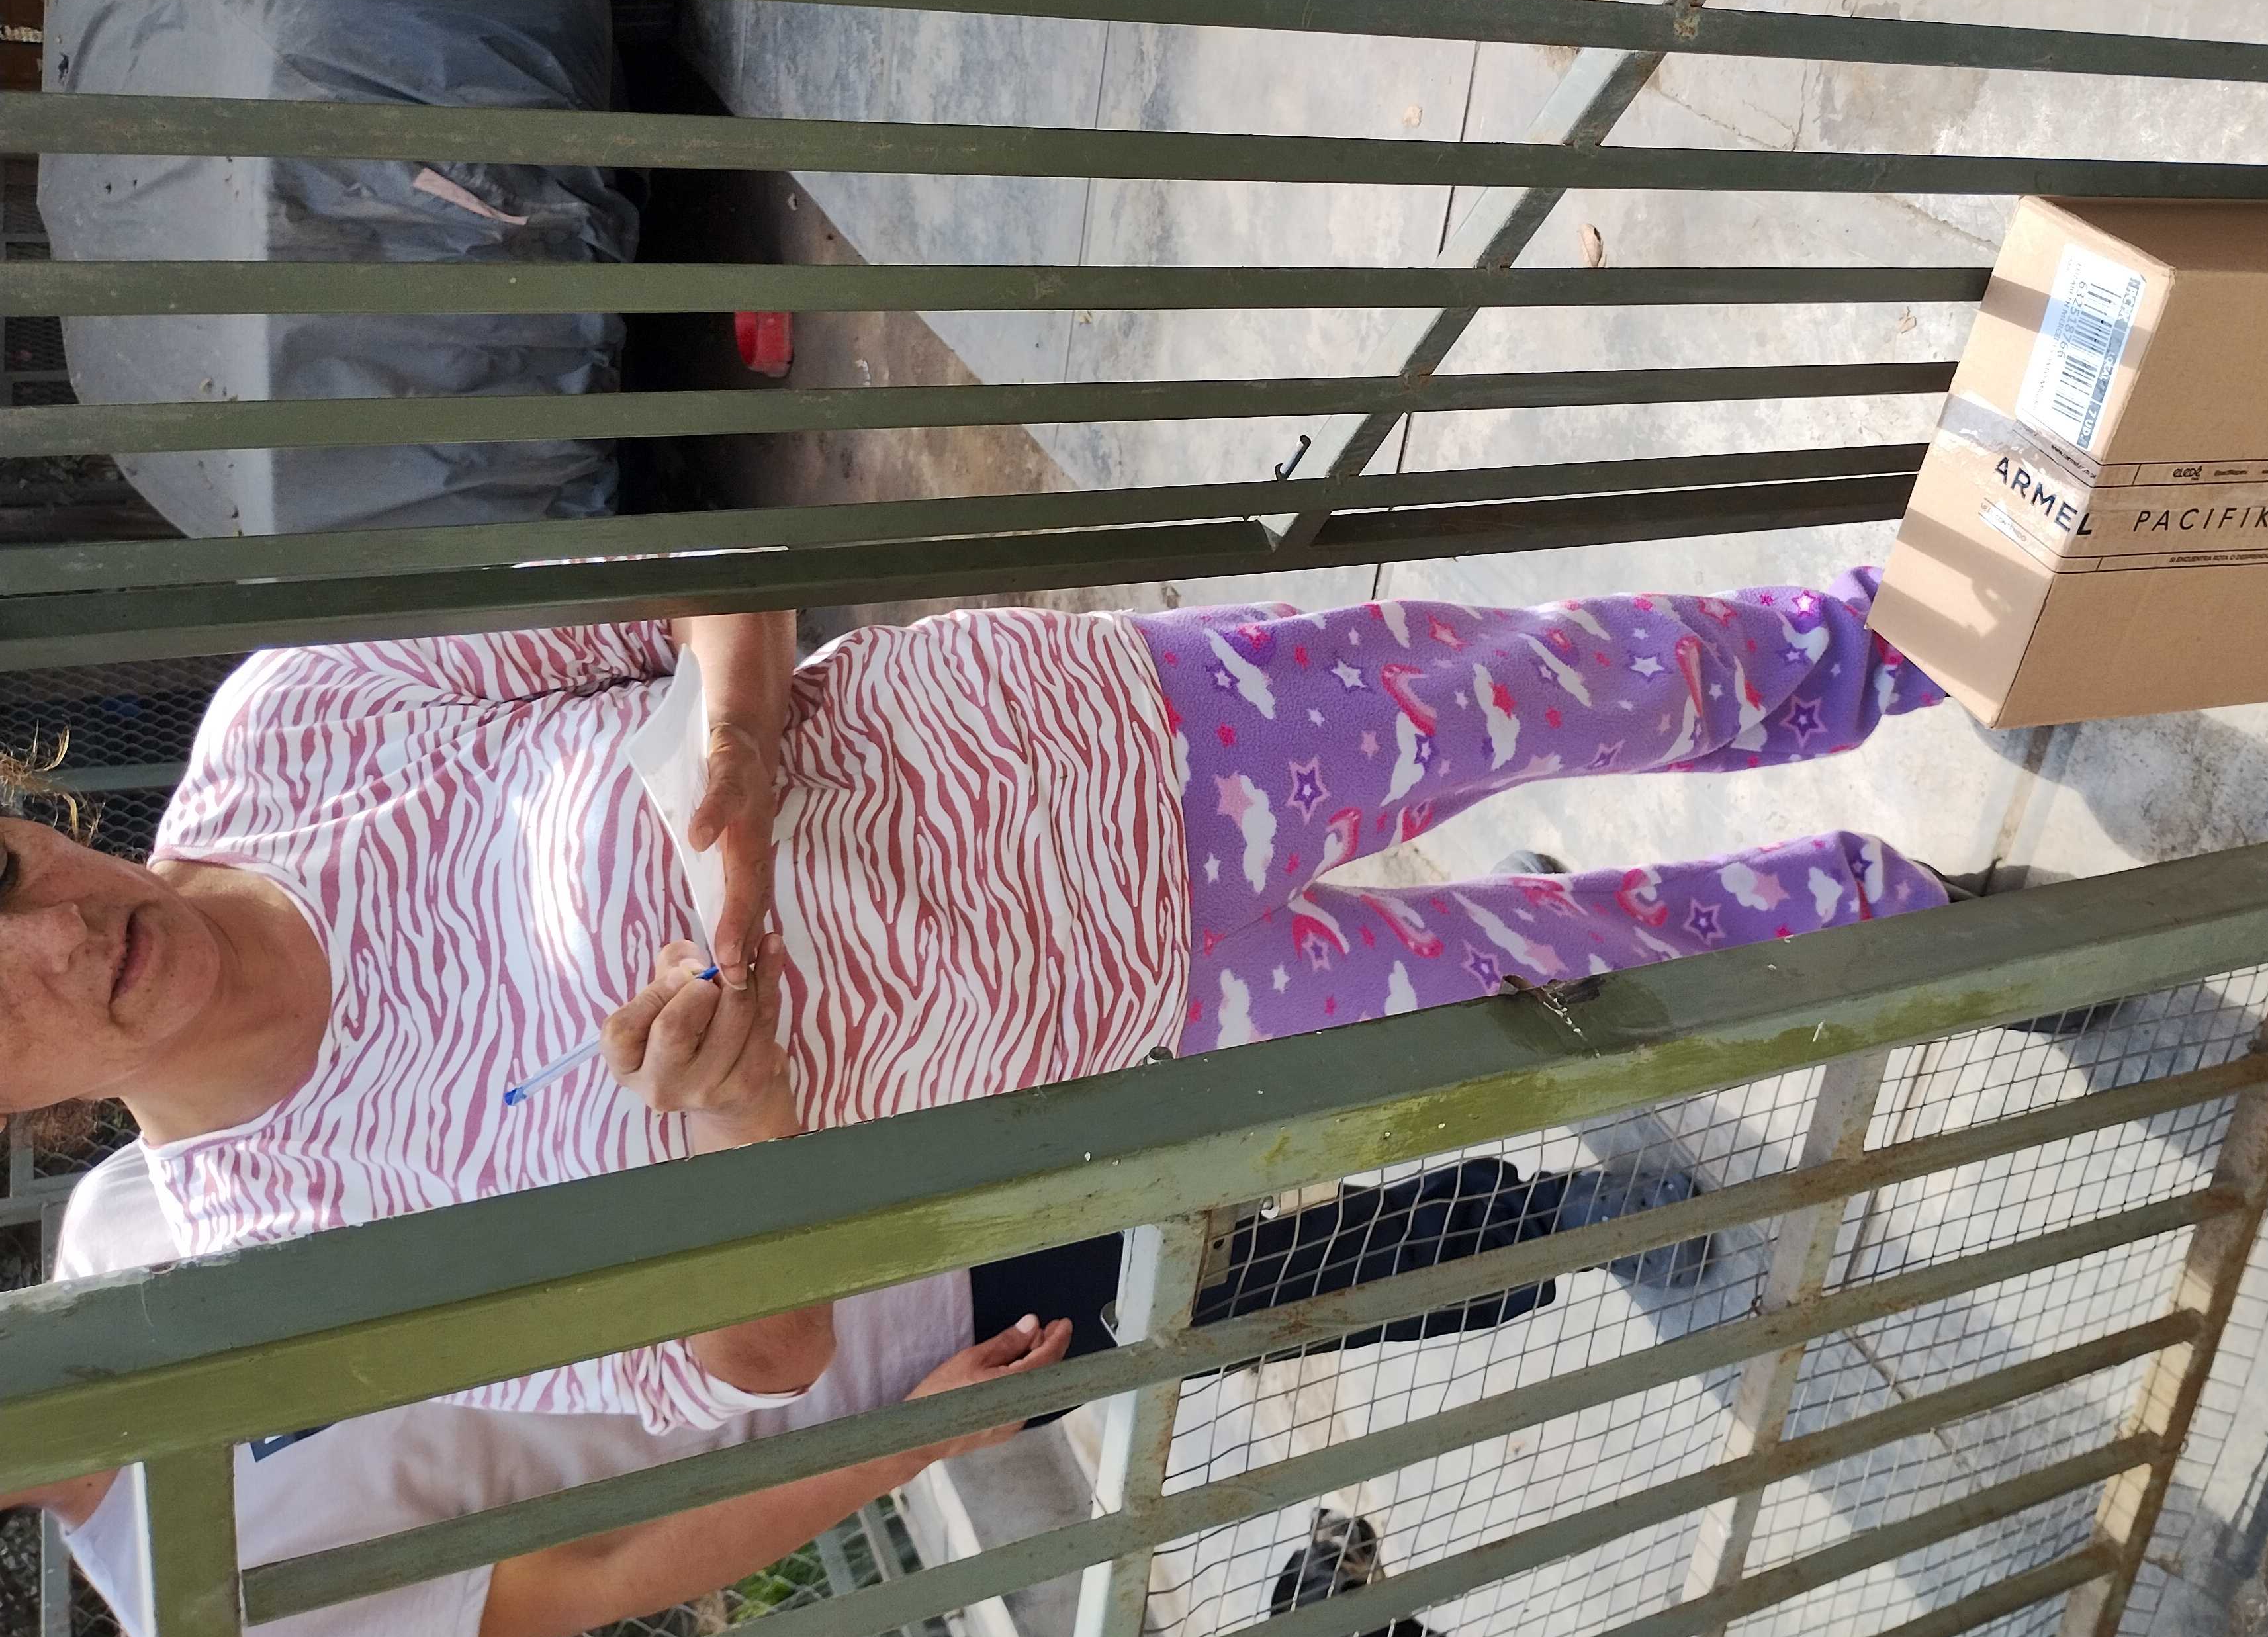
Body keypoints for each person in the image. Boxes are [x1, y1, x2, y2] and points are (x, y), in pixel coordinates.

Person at [0, 573, 1943, 1440]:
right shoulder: (292, 1250)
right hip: (1132, 1032)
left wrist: (737, 745)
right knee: (1586, 995)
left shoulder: (293, 730)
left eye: (0, 884)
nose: (62, 946)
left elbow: (698, 587)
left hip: (1100, 737)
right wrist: (741, 1122)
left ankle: (1936, 631)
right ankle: (1924, 927)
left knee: (1561, 680)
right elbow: (747, 1366)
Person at [13, 1137, 1684, 1637]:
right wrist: (914, 1439)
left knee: (1209, 1087)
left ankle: (1556, 1000)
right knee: (1245, 1288)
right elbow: (607, 1571)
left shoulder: (121, 1226)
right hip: (873, 1359)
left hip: (814, 1149)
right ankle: (1579, 1218)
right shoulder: (208, 1610)